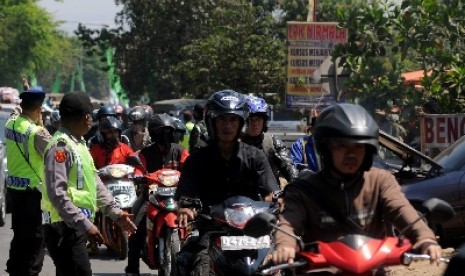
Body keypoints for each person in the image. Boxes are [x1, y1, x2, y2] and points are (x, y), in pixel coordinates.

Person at [271, 103, 442, 267]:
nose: (351, 154)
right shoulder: (303, 191)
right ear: (325, 149)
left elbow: (400, 210)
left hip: (373, 270)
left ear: (368, 152)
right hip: (323, 271)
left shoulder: (380, 181)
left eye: (359, 147)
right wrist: (285, 245)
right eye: (342, 146)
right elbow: (289, 224)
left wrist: (425, 237)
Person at [175, 90, 280, 275]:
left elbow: (270, 191)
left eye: (233, 120)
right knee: (183, 262)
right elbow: (186, 194)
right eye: (222, 119)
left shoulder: (256, 156)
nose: (228, 126)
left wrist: (279, 202)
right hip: (212, 231)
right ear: (212, 122)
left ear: (241, 123)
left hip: (253, 231)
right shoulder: (197, 159)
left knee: (282, 263)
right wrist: (185, 207)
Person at [41, 92, 137, 276]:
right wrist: (85, 225)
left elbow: (94, 182)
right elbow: (57, 194)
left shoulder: (79, 144)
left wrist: (116, 213)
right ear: (86, 117)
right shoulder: (61, 147)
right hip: (64, 227)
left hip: (73, 225)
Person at [125, 112, 189, 276]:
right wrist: (137, 176)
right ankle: (132, 268)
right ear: (154, 133)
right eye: (162, 132)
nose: (166, 135)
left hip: (177, 198)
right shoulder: (145, 153)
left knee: (198, 226)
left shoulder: (180, 151)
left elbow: (189, 167)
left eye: (169, 131)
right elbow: (137, 169)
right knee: (136, 228)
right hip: (151, 198)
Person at [5, 85, 51, 276]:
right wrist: (41, 124)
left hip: (15, 191)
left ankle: (15, 271)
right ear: (39, 109)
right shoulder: (36, 132)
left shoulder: (10, 124)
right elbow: (54, 151)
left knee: (19, 237)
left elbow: (18, 113)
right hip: (34, 194)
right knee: (35, 241)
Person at [241, 96, 298, 188]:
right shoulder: (235, 142)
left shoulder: (272, 141)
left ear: (264, 121)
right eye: (251, 119)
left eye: (258, 119)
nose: (255, 123)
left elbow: (289, 166)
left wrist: (297, 187)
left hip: (270, 195)